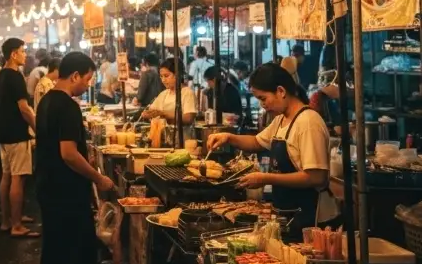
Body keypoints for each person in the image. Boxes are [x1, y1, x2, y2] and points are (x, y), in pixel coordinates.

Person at [207, 63, 339, 236]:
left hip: (312, 217)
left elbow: (316, 176)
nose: (262, 105)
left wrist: (266, 178)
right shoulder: (281, 120)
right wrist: (229, 137)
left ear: (281, 91)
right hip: (289, 212)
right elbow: (256, 142)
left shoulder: (308, 122)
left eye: (263, 98)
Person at [36, 52, 114, 264]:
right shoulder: (68, 106)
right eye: (87, 79)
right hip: (66, 192)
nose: (88, 85)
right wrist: (98, 178)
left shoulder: (46, 101)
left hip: (47, 187)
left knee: (54, 252)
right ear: (75, 75)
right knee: (77, 256)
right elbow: (68, 154)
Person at [0, 38, 38, 238]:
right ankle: (17, 225)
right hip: (17, 133)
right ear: (13, 54)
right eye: (22, 51)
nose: (25, 54)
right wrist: (37, 128)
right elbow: (24, 108)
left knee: (7, 176)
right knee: (18, 178)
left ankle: (7, 221)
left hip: (3, 133)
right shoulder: (15, 76)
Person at [142, 58, 197, 140]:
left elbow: (188, 118)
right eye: (161, 76)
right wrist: (147, 114)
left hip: (183, 139)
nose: (163, 80)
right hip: (165, 139)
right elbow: (152, 110)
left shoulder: (187, 93)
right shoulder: (164, 94)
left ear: (178, 75)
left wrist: (164, 114)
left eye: (166, 76)